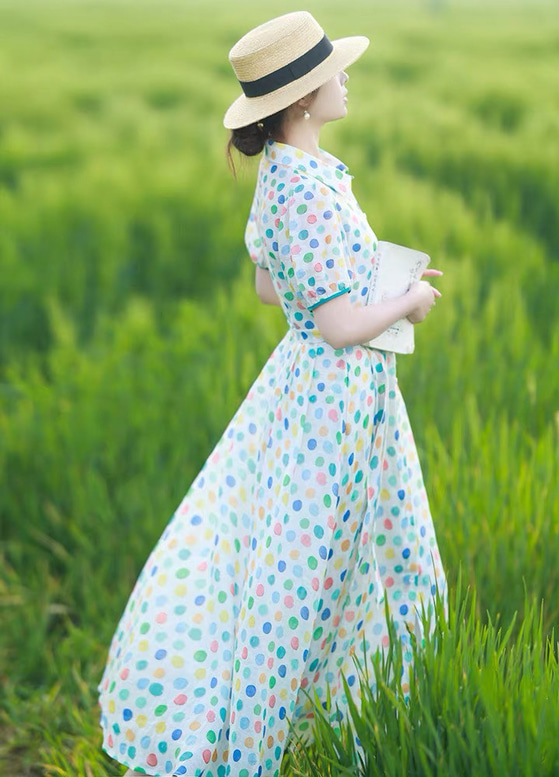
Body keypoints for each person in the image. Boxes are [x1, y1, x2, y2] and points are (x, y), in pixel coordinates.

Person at [97, 10, 449, 777]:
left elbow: (269, 285)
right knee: (325, 572)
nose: (345, 77)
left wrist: (362, 284)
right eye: (335, 71)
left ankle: (334, 728)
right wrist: (403, 304)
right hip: (334, 400)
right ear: (300, 100)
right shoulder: (310, 190)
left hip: (306, 392)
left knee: (304, 561)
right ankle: (292, 741)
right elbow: (334, 324)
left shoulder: (286, 175)